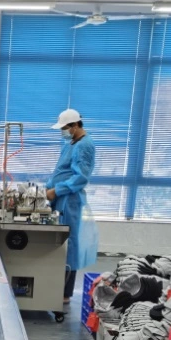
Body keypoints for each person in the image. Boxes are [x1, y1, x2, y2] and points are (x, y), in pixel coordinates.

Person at [46, 109, 99, 305]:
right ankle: (53, 285)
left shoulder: (85, 146)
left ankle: (65, 293)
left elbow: (80, 177)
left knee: (69, 244)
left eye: (65, 128)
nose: (63, 132)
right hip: (59, 199)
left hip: (70, 200)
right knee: (59, 245)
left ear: (75, 126)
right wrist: (47, 187)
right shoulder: (71, 144)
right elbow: (61, 170)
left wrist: (57, 190)